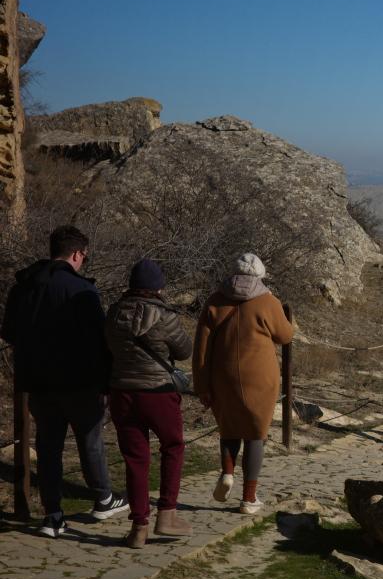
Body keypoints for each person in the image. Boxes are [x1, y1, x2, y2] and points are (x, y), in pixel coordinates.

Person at [1, 225, 127, 537]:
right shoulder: (81, 290)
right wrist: (107, 379)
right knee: (90, 440)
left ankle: (53, 515)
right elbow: (99, 339)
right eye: (84, 255)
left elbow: (9, 332)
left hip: (38, 380)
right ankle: (103, 497)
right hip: (79, 379)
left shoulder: (24, 286)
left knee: (48, 447)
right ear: (76, 254)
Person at [192, 253, 294, 514]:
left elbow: (201, 347)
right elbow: (285, 336)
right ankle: (249, 498)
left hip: (222, 376)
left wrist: (202, 386)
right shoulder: (268, 301)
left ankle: (227, 473)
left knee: (228, 428)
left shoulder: (215, 300)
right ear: (260, 274)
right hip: (260, 377)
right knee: (255, 435)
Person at [104, 258, 194, 548]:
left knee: (135, 458)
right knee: (173, 447)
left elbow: (107, 347)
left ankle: (138, 527)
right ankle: (167, 514)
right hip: (158, 392)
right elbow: (185, 350)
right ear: (157, 287)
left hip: (122, 391)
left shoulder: (114, 312)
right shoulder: (165, 316)